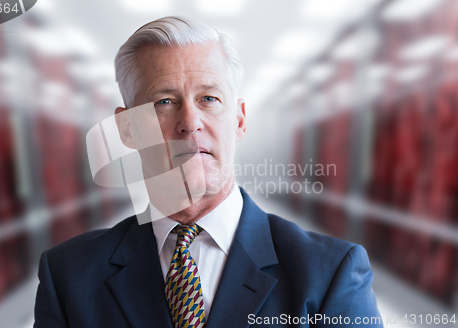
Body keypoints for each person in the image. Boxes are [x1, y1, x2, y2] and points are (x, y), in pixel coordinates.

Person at [34, 16, 383, 328]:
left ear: (240, 119)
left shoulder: (329, 273)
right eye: (164, 102)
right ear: (127, 129)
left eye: (209, 99)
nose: (190, 123)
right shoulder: (69, 275)